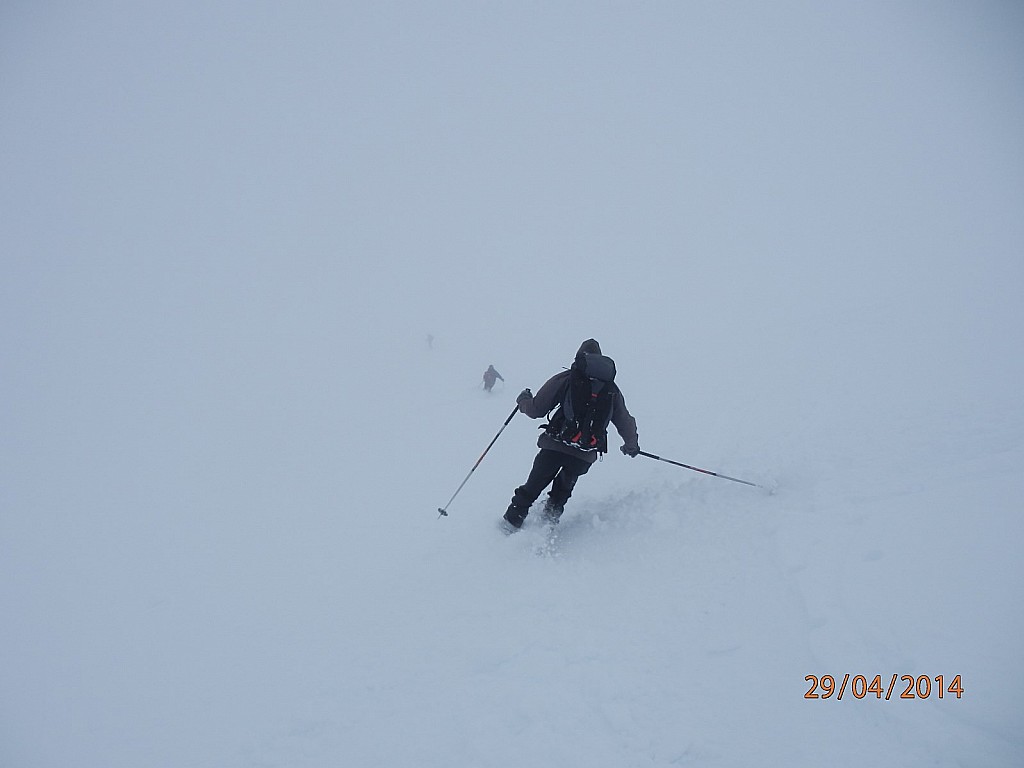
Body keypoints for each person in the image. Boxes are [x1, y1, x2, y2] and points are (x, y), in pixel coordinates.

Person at [502, 339, 639, 530]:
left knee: (533, 485)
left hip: (555, 445)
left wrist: (523, 401)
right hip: (584, 453)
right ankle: (547, 525)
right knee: (562, 491)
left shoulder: (567, 379)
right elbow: (625, 420)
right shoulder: (611, 389)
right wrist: (631, 445)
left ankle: (510, 523)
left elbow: (536, 410)